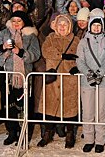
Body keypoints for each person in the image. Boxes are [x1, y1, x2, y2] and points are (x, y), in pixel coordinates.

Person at [0, 11, 41, 145]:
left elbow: (36, 55)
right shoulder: (4, 33)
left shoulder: (31, 36)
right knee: (9, 106)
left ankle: (23, 131)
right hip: (7, 76)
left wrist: (20, 52)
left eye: (19, 20)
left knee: (23, 105)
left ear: (24, 22)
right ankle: (12, 131)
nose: (16, 23)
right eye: (14, 20)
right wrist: (3, 47)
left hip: (24, 75)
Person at [37, 14, 80, 149]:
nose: (62, 27)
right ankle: (47, 134)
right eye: (59, 24)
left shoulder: (76, 40)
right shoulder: (50, 38)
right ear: (55, 26)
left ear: (69, 26)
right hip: (53, 79)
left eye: (65, 25)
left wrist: (77, 66)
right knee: (49, 107)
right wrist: (61, 56)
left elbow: (81, 56)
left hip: (69, 79)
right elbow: (45, 51)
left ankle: (70, 134)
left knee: (70, 109)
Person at [76, 16, 105, 153]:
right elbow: (79, 60)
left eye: (99, 25)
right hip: (87, 82)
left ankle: (100, 140)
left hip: (103, 81)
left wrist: (100, 72)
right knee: (87, 112)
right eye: (94, 25)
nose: (96, 28)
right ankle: (88, 140)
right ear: (90, 26)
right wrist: (88, 73)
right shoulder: (82, 42)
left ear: (102, 27)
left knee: (101, 112)